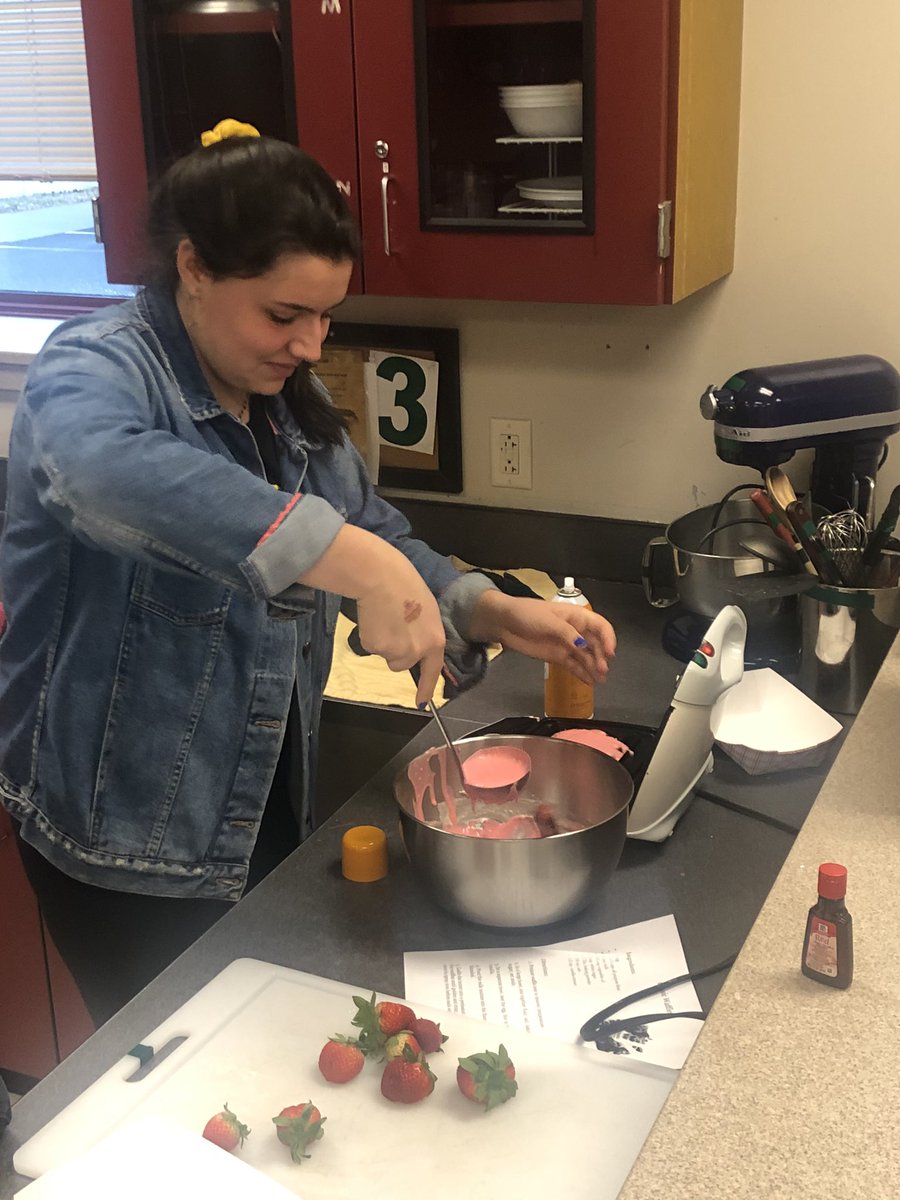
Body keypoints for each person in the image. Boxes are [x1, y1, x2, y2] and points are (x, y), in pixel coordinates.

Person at [0, 125, 616, 1027]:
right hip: (124, 840)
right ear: (194, 269)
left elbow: (371, 530)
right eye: (284, 315)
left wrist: (492, 610)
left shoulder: (285, 395)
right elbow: (101, 475)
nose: (309, 343)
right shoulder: (95, 366)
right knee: (174, 1100)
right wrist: (352, 560)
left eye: (325, 315)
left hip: (261, 802)